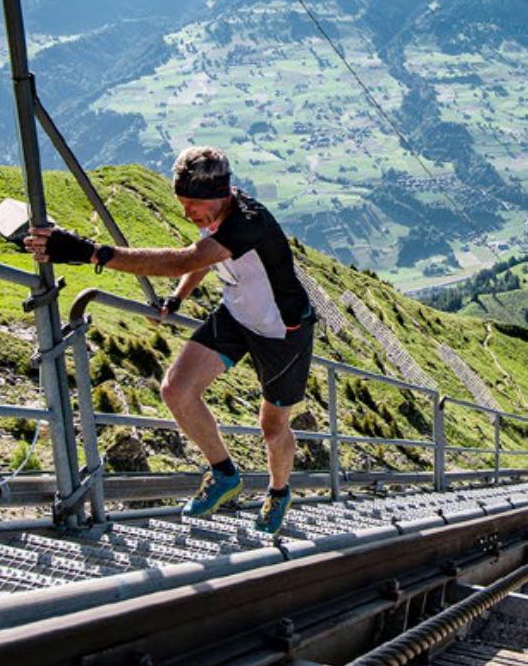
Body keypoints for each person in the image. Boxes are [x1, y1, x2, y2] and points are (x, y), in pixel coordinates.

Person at [27, 146, 314, 536]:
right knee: (176, 390)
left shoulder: (249, 221)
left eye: (193, 204)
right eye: (182, 203)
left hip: (283, 331)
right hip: (236, 314)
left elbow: (184, 259)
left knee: (272, 425)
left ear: (221, 194)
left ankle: (279, 493)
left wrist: (91, 253)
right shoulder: (215, 211)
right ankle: (224, 473)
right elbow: (202, 259)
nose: (186, 212)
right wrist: (178, 298)